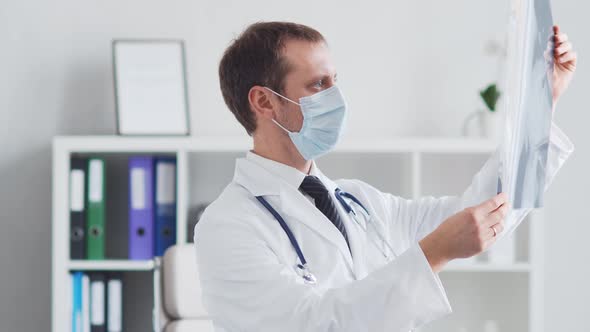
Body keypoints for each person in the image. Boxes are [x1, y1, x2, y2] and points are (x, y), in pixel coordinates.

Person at [194, 22, 577, 332]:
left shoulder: (360, 202)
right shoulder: (228, 224)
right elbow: (309, 324)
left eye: (334, 80)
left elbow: (480, 216)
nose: (336, 97)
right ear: (264, 101)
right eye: (317, 85)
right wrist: (432, 254)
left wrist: (539, 106)